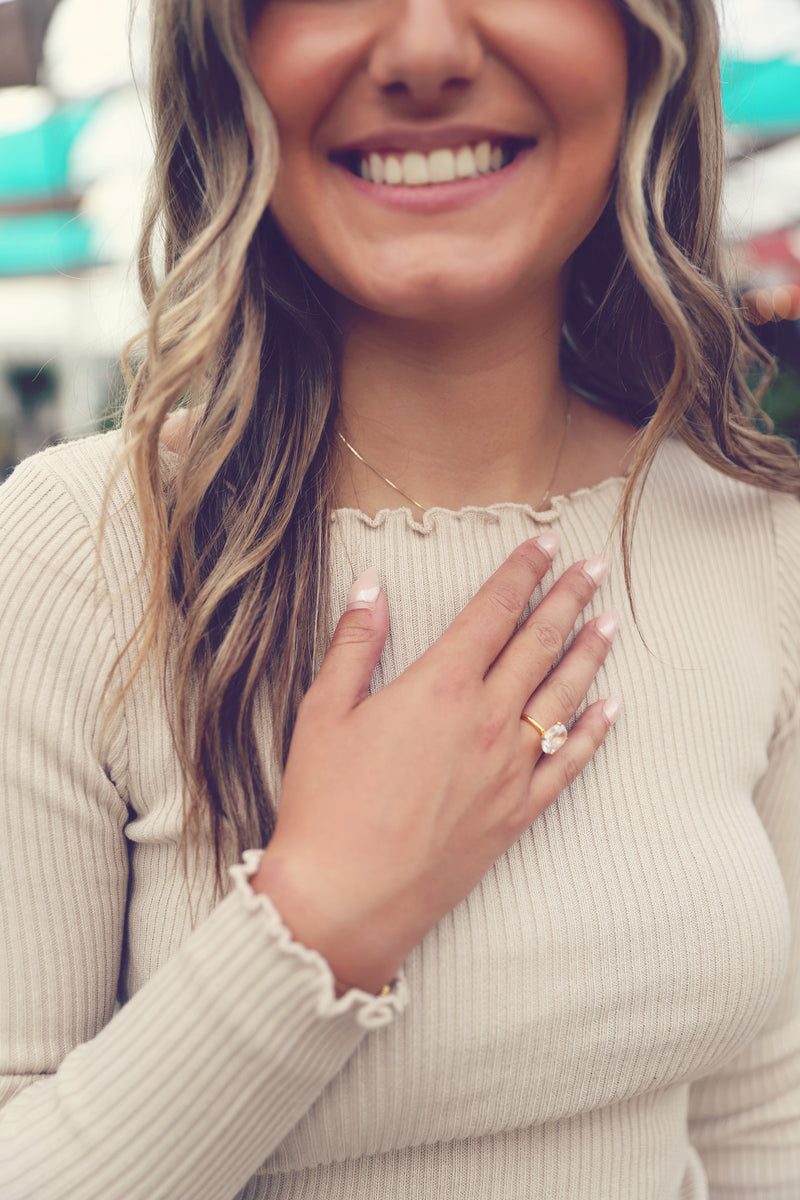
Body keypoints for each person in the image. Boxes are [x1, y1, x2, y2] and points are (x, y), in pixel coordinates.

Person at [0, 0, 798, 1197]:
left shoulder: (752, 535)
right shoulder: (76, 552)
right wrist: (321, 912)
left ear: (645, 43)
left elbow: (757, 1126)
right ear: (228, 62)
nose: (424, 51)